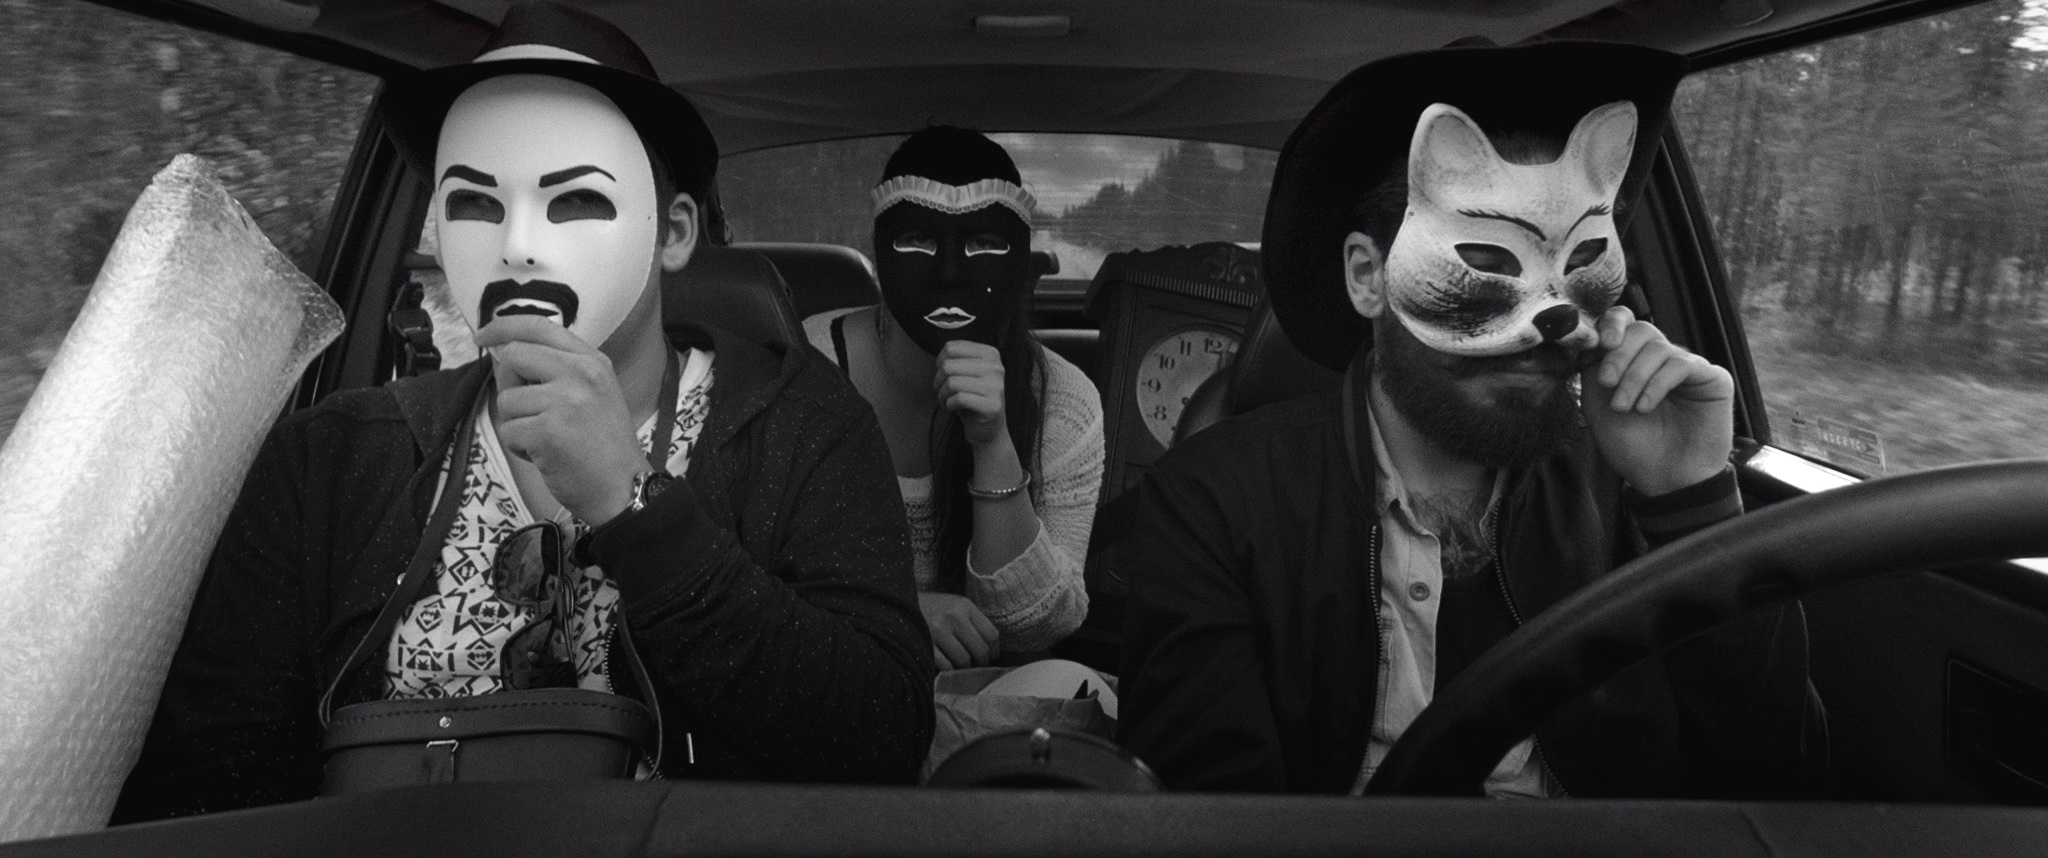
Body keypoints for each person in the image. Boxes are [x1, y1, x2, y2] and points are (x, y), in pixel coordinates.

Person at [115, 2, 931, 820]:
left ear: (674, 233)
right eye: (475, 205)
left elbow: (881, 742)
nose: (517, 247)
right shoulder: (330, 456)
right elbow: (209, 787)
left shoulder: (805, 428)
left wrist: (634, 508)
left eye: (575, 202)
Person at [1116, 42, 1820, 797]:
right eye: (1488, 260)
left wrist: (1693, 506)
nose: (1547, 320)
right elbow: (1212, 815)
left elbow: (1776, 780)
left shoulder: (1629, 484)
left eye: (1581, 261)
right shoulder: (1214, 503)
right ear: (1368, 278)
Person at [803, 127, 1103, 670]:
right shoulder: (803, 367)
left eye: (984, 246)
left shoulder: (1065, 403)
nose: (949, 274)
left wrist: (993, 443)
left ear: (1021, 263)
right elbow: (748, 577)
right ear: (878, 254)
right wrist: (899, 613)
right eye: (917, 243)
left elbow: (1036, 628)